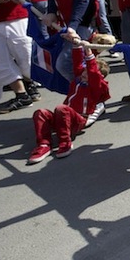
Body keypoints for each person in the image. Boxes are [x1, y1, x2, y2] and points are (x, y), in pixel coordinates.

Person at [28, 34, 111, 164]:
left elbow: (93, 73)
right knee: (40, 113)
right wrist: (76, 46)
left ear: (99, 77)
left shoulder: (97, 87)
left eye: (87, 72)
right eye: (84, 71)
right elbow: (77, 63)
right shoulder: (78, 80)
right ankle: (44, 144)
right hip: (63, 117)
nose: (84, 74)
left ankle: (65, 142)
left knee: (62, 109)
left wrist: (88, 52)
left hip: (78, 119)